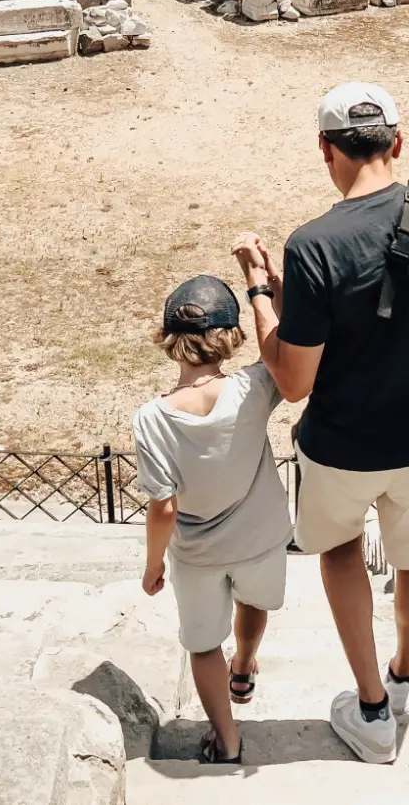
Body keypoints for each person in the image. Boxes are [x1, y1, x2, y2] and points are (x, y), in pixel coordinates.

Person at [233, 81, 409, 764]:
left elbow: (295, 382)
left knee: (337, 550)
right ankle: (402, 678)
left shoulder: (311, 246)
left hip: (342, 446)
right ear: (397, 142)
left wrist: (259, 291)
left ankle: (368, 711)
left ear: (325, 150)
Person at [134, 274, 292, 765]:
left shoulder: (152, 419)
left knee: (202, 646)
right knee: (253, 601)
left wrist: (153, 564)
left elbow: (163, 507)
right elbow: (288, 345)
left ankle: (227, 740)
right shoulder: (255, 386)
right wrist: (264, 286)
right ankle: (243, 665)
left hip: (197, 553)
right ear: (230, 338)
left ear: (169, 340)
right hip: (261, 536)